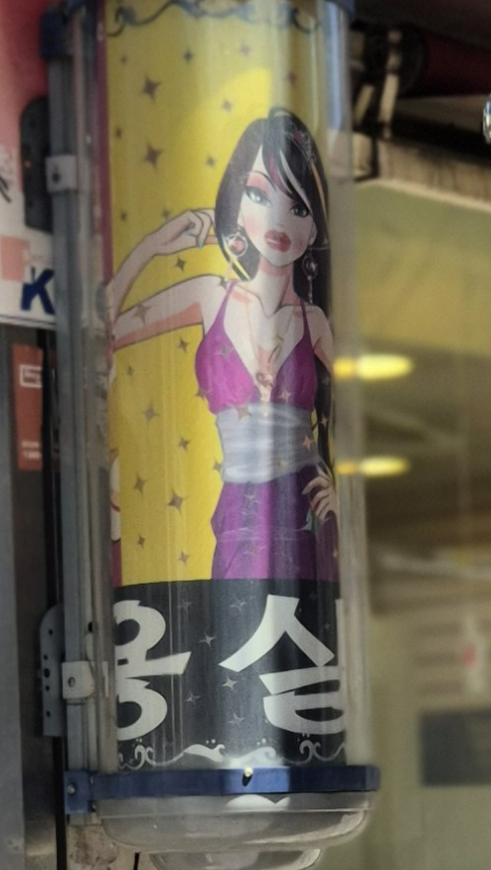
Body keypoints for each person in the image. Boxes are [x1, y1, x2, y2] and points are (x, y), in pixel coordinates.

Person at [106, 108, 338, 582]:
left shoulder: (314, 320)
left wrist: (346, 488)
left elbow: (364, 412)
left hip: (306, 512)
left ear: (314, 228)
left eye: (297, 207)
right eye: (259, 193)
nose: (277, 217)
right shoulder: (210, 295)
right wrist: (154, 245)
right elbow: (103, 328)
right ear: (237, 202)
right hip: (237, 511)